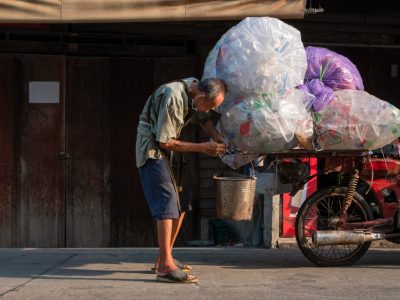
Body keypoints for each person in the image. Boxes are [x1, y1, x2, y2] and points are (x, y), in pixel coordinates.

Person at [136, 77, 227, 283]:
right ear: (201, 97)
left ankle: (164, 257)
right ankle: (165, 268)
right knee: (167, 201)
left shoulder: (195, 90)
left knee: (183, 200)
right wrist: (204, 147)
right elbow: (164, 141)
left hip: (170, 146)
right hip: (153, 147)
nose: (207, 110)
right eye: (209, 106)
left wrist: (218, 138)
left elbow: (203, 119)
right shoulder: (173, 96)